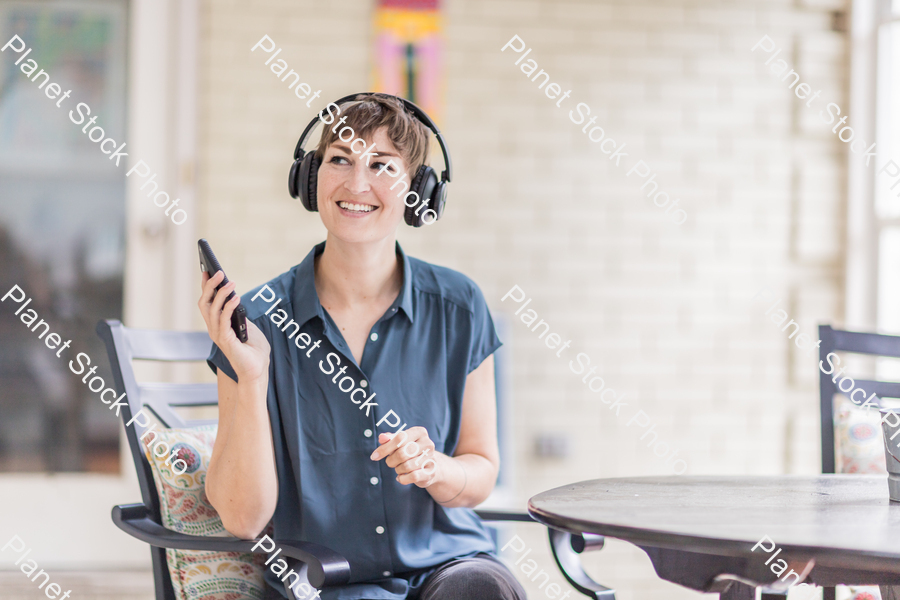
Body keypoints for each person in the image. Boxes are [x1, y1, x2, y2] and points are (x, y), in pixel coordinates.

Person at [198, 93, 527, 600]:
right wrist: (253, 379)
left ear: (418, 189)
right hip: (328, 580)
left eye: (381, 165)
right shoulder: (258, 322)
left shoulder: (459, 306)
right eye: (339, 160)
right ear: (311, 177)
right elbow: (243, 518)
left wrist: (437, 469)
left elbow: (480, 470)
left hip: (450, 571)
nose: (356, 184)